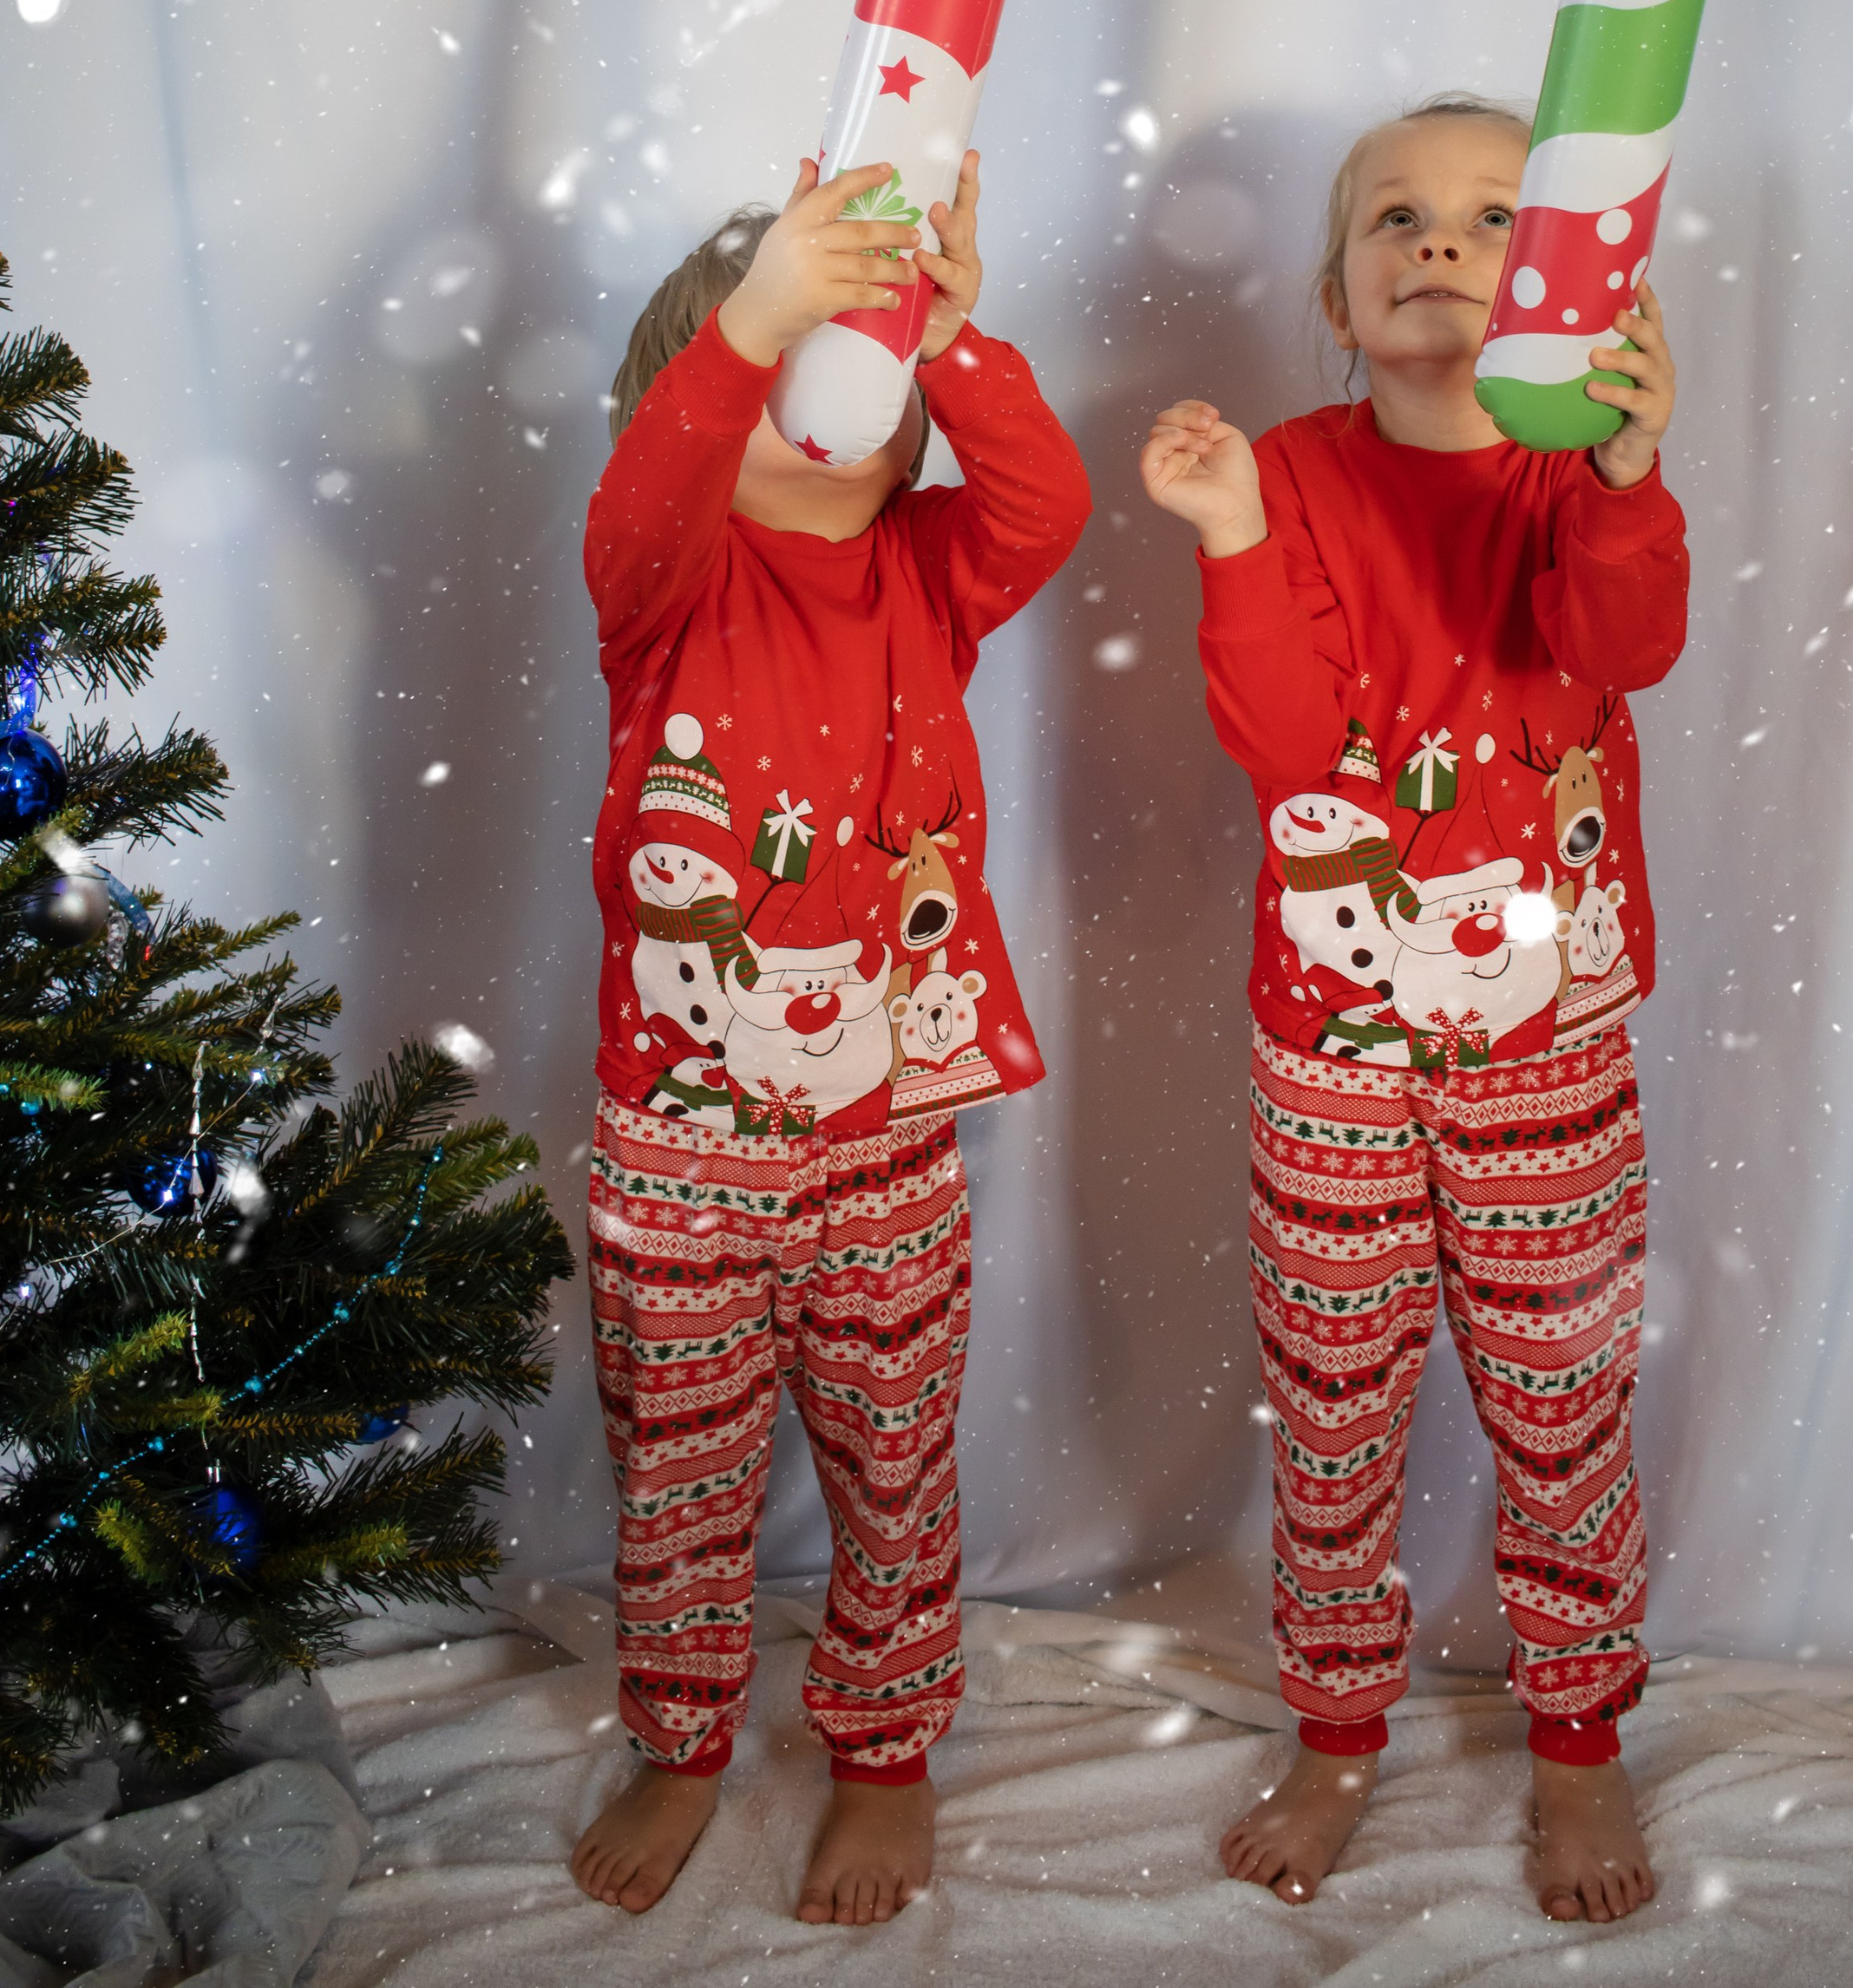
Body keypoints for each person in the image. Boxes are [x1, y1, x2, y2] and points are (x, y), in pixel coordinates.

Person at [1139, 93, 1688, 1925]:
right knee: (1332, 1407)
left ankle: (1578, 1742)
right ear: (1334, 294)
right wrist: (1230, 534)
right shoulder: (1288, 477)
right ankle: (1335, 1730)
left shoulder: (1571, 475)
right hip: (1334, 1058)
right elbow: (1291, 749)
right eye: (1396, 216)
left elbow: (1622, 647)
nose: (1439, 239)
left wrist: (1626, 475)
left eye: (1489, 216)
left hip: (1548, 1054)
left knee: (1560, 1404)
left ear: (1568, 280)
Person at [568, 149, 1088, 1926]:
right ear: (700, 404)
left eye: (853, 369)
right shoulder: (666, 583)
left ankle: (883, 1749)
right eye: (785, 364)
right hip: (679, 1148)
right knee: (680, 1471)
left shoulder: (926, 573)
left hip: (886, 1143)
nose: (825, 400)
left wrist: (948, 337)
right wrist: (756, 323)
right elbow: (646, 495)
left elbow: (1042, 505)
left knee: (894, 1459)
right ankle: (682, 1738)